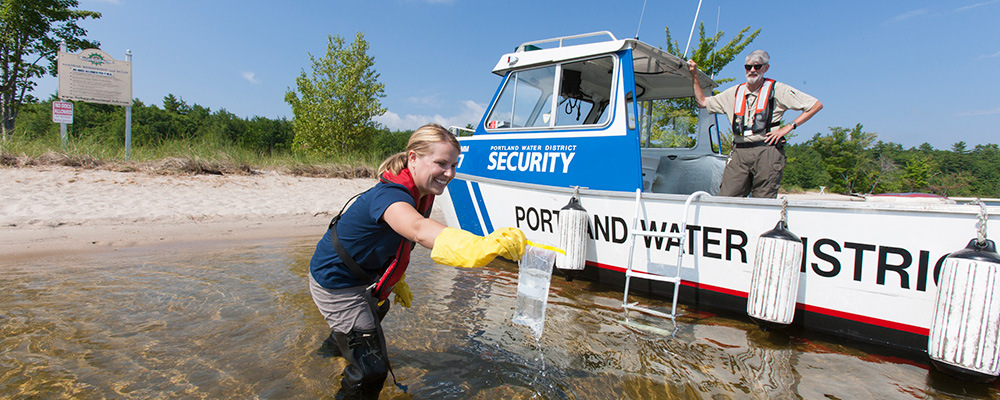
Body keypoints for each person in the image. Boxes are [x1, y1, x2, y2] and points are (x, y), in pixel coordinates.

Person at [307, 123, 527, 399]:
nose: (449, 173)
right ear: (413, 158)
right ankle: (343, 351)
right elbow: (418, 230)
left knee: (378, 308)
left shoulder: (421, 193)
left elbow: (398, 240)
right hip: (336, 282)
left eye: (454, 165)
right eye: (441, 163)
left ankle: (329, 353)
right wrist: (479, 246)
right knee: (372, 371)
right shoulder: (390, 196)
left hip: (363, 275)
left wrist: (397, 280)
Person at [687, 50, 823, 198]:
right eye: (748, 67)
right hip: (739, 151)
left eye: (757, 67)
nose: (752, 70)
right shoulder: (734, 92)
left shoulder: (778, 89)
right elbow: (702, 102)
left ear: (766, 68)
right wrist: (694, 75)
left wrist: (788, 127)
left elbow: (815, 105)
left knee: (763, 201)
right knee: (726, 198)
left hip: (767, 150)